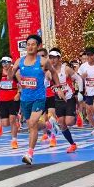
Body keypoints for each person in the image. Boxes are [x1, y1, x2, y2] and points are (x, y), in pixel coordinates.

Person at [11, 34, 61, 165]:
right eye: (28, 44)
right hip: (25, 99)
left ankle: (30, 154)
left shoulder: (43, 61)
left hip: (39, 97)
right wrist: (10, 70)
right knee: (31, 125)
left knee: (33, 123)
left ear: (38, 46)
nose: (30, 47)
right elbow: (10, 76)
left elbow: (54, 72)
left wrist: (58, 87)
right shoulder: (19, 61)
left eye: (33, 44)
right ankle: (49, 125)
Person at [47, 48, 79, 152]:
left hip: (69, 98)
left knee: (69, 122)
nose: (52, 60)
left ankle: (76, 115)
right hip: (58, 100)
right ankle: (72, 144)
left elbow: (78, 79)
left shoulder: (66, 69)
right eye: (50, 58)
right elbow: (45, 84)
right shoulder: (49, 72)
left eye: (54, 58)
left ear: (59, 58)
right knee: (62, 124)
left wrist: (80, 92)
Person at [77, 47, 94, 136]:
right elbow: (77, 78)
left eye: (91, 55)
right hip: (88, 92)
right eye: (87, 55)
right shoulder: (83, 66)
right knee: (88, 111)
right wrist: (82, 77)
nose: (89, 57)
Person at [0, 57, 21, 149]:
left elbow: (21, 84)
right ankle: (17, 120)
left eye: (6, 62)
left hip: (13, 100)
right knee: (5, 124)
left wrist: (19, 93)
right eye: (3, 63)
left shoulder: (16, 73)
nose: (4, 64)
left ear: (10, 63)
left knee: (12, 120)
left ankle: (14, 140)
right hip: (2, 100)